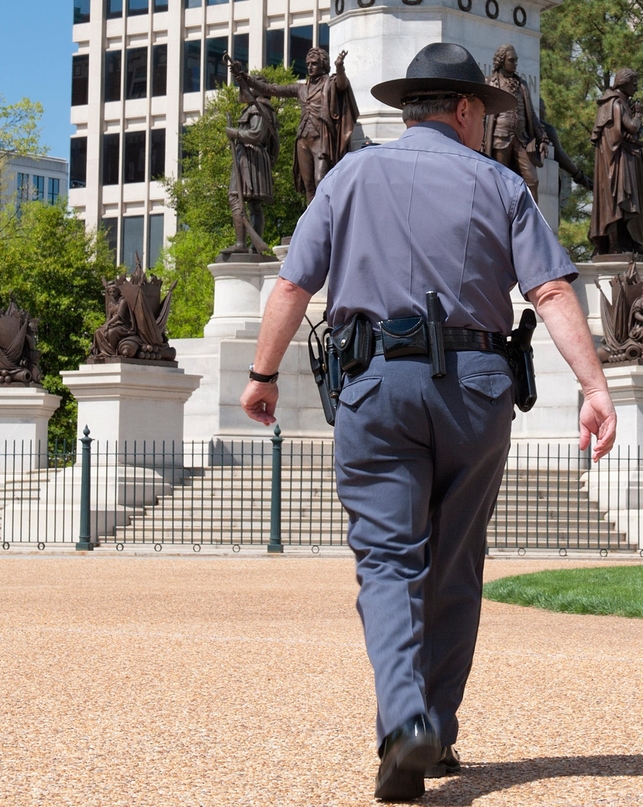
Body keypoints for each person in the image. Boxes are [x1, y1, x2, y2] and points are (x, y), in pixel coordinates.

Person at [240, 43, 616, 802]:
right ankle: (436, 729)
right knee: (453, 563)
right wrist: (594, 386)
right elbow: (548, 292)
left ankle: (404, 720)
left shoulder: (348, 175)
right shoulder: (500, 185)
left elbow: (291, 282)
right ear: (467, 109)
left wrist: (262, 374)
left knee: (388, 561)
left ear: (415, 106)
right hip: (476, 388)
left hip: (375, 383)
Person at [232, 48, 358, 204]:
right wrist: (244, 77)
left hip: (321, 139)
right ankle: (313, 221)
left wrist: (339, 66)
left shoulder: (330, 84)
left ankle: (328, 215)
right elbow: (271, 89)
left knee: (321, 180)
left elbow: (342, 84)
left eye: (314, 64)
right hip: (302, 139)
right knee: (308, 186)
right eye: (308, 64)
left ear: (323, 65)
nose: (310, 67)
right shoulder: (301, 89)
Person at [588, 68, 643, 256]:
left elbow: (637, 132)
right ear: (624, 83)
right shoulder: (614, 104)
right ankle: (616, 243)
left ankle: (633, 242)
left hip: (630, 159)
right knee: (618, 202)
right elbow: (632, 127)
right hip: (617, 162)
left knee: (640, 201)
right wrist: (638, 114)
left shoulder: (624, 103)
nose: (636, 87)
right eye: (634, 84)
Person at [483, 44, 549, 202]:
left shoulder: (522, 85)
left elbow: (532, 115)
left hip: (521, 139)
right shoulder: (491, 82)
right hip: (499, 138)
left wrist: (543, 138)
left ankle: (532, 221)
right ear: (501, 61)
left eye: (516, 60)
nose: (515, 63)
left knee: (532, 180)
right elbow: (482, 115)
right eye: (511, 60)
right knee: (500, 180)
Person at [218, 85, 278, 257]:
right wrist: (269, 161)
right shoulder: (265, 109)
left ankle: (241, 243)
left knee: (236, 196)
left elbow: (256, 134)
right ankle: (252, 245)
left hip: (249, 157)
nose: (242, 90)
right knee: (254, 204)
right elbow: (276, 144)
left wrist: (234, 133)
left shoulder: (257, 109)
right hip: (256, 157)